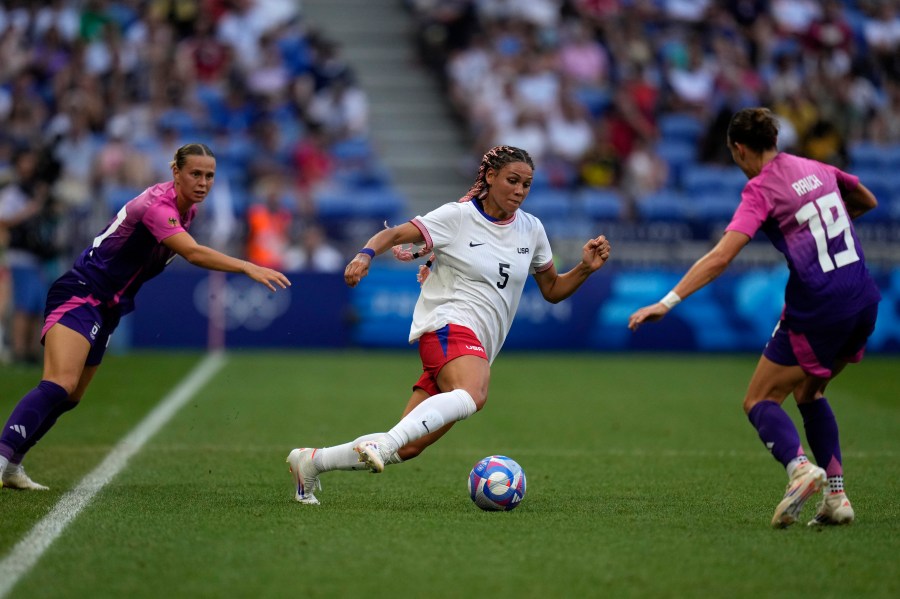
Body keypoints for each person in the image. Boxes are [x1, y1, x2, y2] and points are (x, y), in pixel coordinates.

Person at [286, 145, 611, 505]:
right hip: (446, 325)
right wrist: (364, 256)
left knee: (408, 448)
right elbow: (393, 235)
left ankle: (310, 462)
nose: (520, 190)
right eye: (513, 181)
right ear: (490, 177)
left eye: (527, 185)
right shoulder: (457, 217)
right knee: (474, 393)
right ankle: (385, 442)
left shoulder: (532, 229)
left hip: (474, 347)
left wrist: (583, 269)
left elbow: (552, 289)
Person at [627, 108, 881, 528]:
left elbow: (721, 257)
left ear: (740, 149)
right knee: (810, 394)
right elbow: (866, 200)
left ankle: (800, 469)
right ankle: (837, 499)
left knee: (759, 400)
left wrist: (666, 302)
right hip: (863, 298)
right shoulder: (815, 167)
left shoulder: (761, 188)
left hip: (817, 305)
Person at [0, 143, 291, 491]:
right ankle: (2, 456)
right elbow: (193, 253)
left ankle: (13, 465)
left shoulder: (187, 212)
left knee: (72, 395)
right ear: (176, 172)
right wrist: (247, 266)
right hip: (82, 291)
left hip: (108, 305)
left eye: (209, 176)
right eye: (195, 174)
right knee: (60, 382)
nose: (202, 182)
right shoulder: (158, 205)